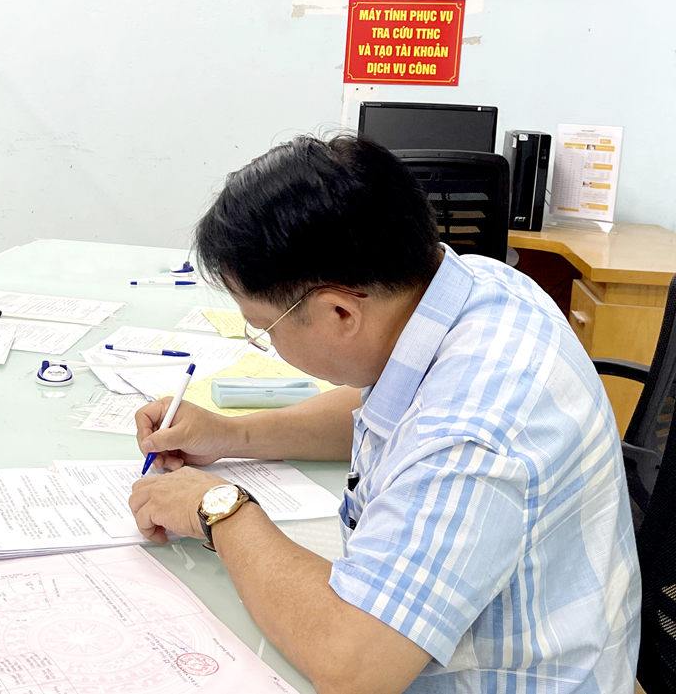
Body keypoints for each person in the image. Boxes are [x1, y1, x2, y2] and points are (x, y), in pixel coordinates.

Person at [129, 136, 640, 693]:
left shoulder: (470, 436)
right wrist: (235, 433)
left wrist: (219, 509)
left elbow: (354, 665)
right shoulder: (477, 285)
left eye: (264, 328)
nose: (268, 344)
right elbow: (388, 404)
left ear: (341, 311)